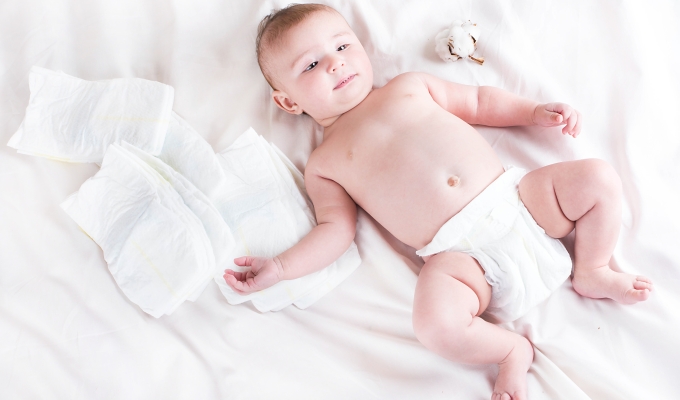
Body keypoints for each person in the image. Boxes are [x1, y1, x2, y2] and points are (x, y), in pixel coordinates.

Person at [223, 4, 653, 399]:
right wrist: (279, 268)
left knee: (597, 178)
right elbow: (334, 230)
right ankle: (509, 351)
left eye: (342, 45)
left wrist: (534, 111)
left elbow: (480, 102)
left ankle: (593, 268)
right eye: (312, 64)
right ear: (288, 102)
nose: (336, 61)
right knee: (433, 325)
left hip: (519, 202)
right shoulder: (323, 164)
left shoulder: (408, 87)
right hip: (460, 258)